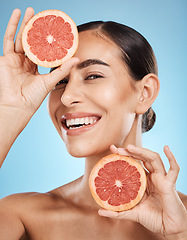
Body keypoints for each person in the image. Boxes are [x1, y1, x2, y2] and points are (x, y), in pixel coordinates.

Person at [0, 7, 186, 240]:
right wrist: (9, 111)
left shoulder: (183, 221)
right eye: (61, 80)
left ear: (145, 93)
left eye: (93, 76)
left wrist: (180, 234)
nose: (67, 97)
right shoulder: (21, 216)